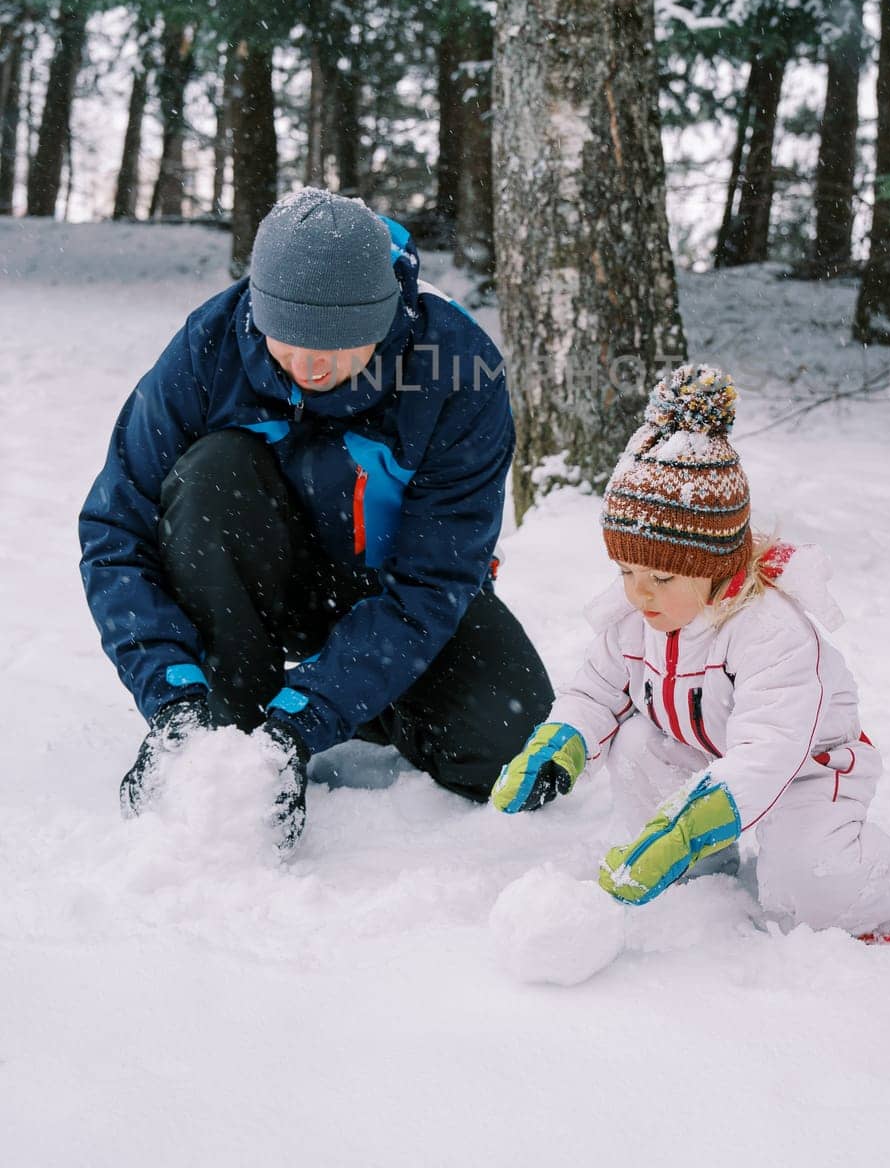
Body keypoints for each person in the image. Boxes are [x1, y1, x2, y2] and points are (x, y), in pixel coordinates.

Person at [80, 189, 553, 847]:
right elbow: (115, 529)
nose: (308, 368)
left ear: (384, 315)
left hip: (394, 594)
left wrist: (306, 719)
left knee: (513, 750)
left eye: (335, 346)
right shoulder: (211, 344)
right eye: (288, 342)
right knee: (212, 472)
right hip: (258, 581)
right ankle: (226, 713)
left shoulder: (457, 368)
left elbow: (434, 581)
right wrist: (172, 698)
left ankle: (340, 694)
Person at [491, 364, 890, 939]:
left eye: (662, 578)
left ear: (713, 568)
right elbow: (596, 690)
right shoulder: (637, 619)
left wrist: (685, 825)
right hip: (703, 751)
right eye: (625, 569)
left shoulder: (769, 631)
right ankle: (700, 868)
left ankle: (883, 894)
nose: (638, 592)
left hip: (804, 769)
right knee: (641, 741)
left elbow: (769, 751)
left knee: (812, 885)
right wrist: (562, 742)